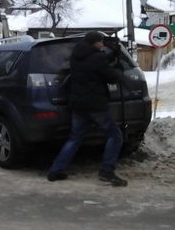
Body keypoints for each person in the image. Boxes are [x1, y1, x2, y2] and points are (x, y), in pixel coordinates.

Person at [47, 31, 129, 186]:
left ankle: (56, 170)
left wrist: (109, 57)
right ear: (94, 43)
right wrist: (118, 69)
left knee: (75, 137)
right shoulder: (96, 58)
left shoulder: (76, 56)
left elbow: (94, 64)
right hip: (95, 104)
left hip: (78, 104)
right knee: (114, 134)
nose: (103, 44)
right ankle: (107, 170)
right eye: (101, 42)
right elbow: (111, 76)